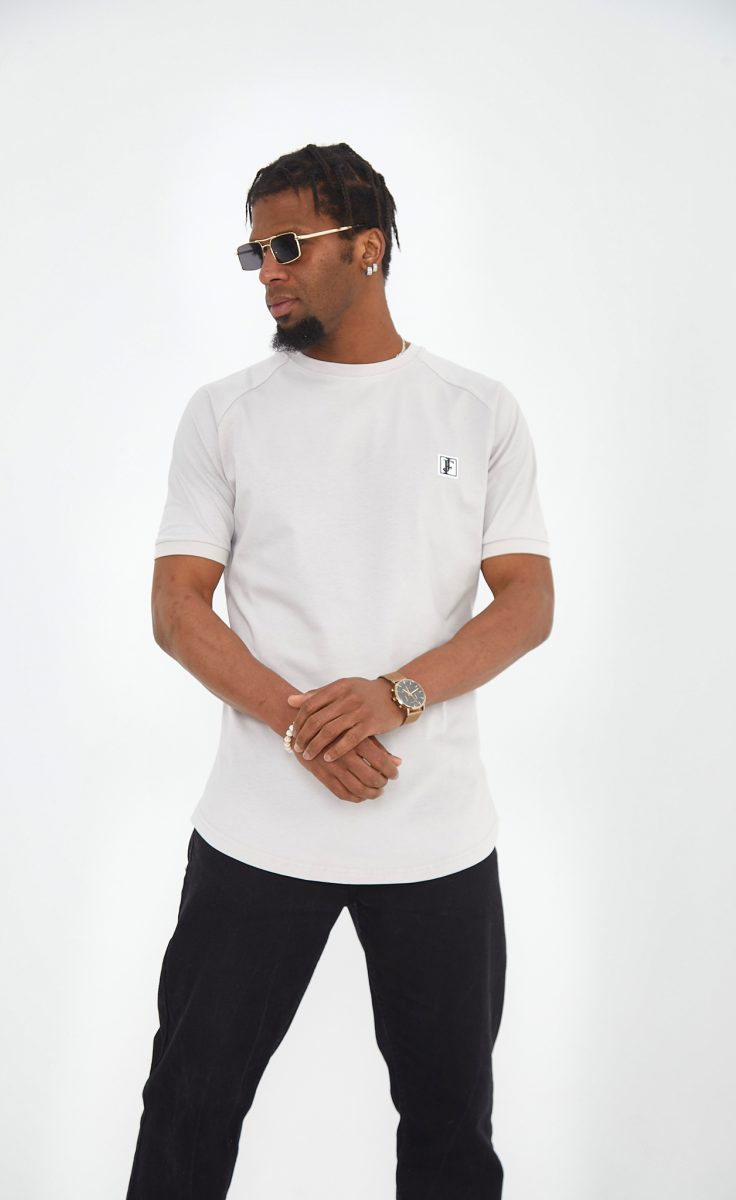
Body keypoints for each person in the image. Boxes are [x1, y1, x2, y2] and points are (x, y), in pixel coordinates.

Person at [126, 141, 554, 1200]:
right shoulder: (224, 412)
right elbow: (177, 607)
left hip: (435, 836)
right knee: (186, 1113)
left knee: (450, 1134)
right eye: (254, 251)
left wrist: (394, 696)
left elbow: (527, 602)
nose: (266, 271)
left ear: (368, 248)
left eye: (288, 245)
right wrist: (300, 722)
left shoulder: (475, 410)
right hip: (258, 830)